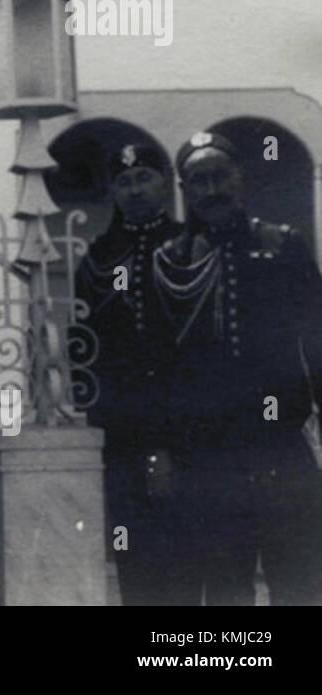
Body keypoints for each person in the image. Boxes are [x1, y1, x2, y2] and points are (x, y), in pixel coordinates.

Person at [154, 131, 322, 605]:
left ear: (239, 179)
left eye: (220, 177)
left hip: (280, 444)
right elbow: (160, 367)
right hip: (208, 452)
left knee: (298, 573)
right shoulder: (170, 262)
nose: (212, 190)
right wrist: (161, 449)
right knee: (226, 582)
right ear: (184, 191)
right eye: (198, 181)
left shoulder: (283, 246)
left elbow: (318, 339)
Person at [74, 142, 193, 605]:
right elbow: (85, 342)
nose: (135, 190)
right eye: (124, 182)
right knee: (131, 547)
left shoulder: (192, 245)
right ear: (112, 192)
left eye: (144, 178)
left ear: (163, 183)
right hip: (123, 427)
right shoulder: (101, 255)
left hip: (189, 425)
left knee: (188, 550)